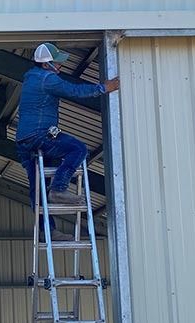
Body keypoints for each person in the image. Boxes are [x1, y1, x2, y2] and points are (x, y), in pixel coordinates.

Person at [16, 43, 119, 220]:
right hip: (40, 135)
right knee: (78, 149)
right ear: (45, 63)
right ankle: (59, 188)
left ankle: (46, 232)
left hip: (23, 140)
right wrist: (103, 88)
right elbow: (74, 91)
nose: (60, 65)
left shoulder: (31, 78)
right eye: (57, 62)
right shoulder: (47, 79)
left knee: (38, 187)